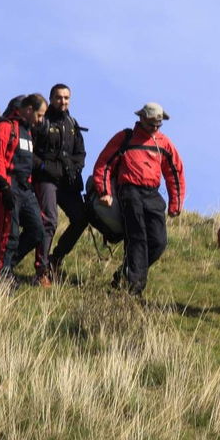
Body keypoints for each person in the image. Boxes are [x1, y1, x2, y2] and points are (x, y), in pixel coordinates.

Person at [92, 102, 185, 296]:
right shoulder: (125, 138)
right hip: (129, 192)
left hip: (153, 194)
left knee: (158, 242)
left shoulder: (164, 143)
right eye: (152, 124)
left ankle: (125, 275)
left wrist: (175, 204)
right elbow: (104, 164)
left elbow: (175, 173)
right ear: (141, 118)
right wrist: (104, 192)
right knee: (137, 239)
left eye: (158, 125)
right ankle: (133, 289)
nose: (155, 128)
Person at [0, 93, 48, 284]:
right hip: (6, 185)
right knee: (8, 232)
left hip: (24, 188)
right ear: (29, 110)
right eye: (39, 115)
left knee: (38, 230)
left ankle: (6, 266)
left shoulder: (27, 132)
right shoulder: (5, 127)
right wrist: (4, 188)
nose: (41, 120)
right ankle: (0, 275)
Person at [31, 83, 88, 286]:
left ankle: (56, 259)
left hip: (67, 182)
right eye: (58, 97)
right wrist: (45, 167)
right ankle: (42, 271)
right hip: (46, 179)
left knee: (81, 218)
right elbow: (30, 152)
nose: (62, 101)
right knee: (50, 222)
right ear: (51, 98)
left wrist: (75, 168)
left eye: (66, 98)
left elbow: (80, 153)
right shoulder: (41, 122)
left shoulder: (72, 124)